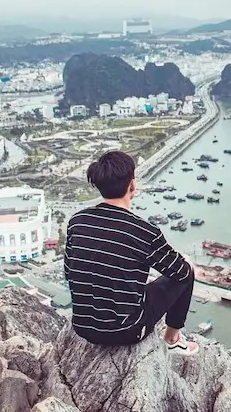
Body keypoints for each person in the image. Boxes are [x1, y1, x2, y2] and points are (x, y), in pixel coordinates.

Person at [64, 150, 199, 355]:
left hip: (83, 328)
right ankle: (172, 339)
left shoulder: (77, 222)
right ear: (132, 185)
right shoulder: (144, 232)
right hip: (128, 331)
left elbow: (69, 271)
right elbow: (180, 272)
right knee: (187, 270)